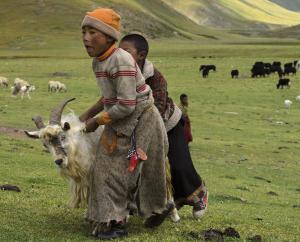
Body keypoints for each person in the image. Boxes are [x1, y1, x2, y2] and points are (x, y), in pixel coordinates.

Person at [79, 9, 172, 240]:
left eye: (92, 32)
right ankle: (151, 210)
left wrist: (96, 121)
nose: (86, 38)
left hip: (138, 119)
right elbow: (110, 97)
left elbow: (128, 104)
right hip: (120, 119)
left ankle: (116, 223)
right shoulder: (99, 62)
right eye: (83, 32)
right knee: (108, 168)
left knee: (118, 171)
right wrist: (87, 115)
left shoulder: (120, 60)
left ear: (109, 37)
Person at [119, 34, 208, 219]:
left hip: (168, 124)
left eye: (126, 51)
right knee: (144, 168)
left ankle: (199, 194)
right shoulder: (120, 73)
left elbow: (157, 109)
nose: (121, 55)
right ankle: (148, 205)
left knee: (178, 166)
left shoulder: (156, 77)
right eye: (119, 51)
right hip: (135, 127)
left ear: (141, 55)